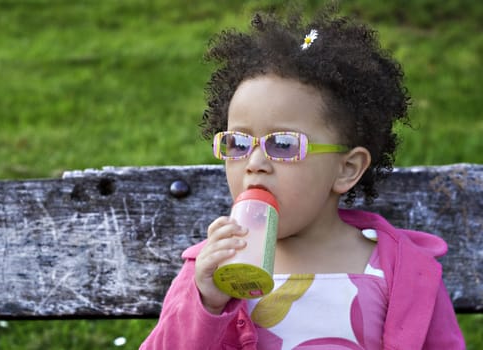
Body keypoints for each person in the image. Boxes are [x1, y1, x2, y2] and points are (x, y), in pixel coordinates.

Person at [141, 4, 465, 349]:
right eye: (238, 142)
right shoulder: (211, 268)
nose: (255, 162)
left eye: (282, 144)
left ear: (347, 169)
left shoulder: (401, 271)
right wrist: (205, 302)